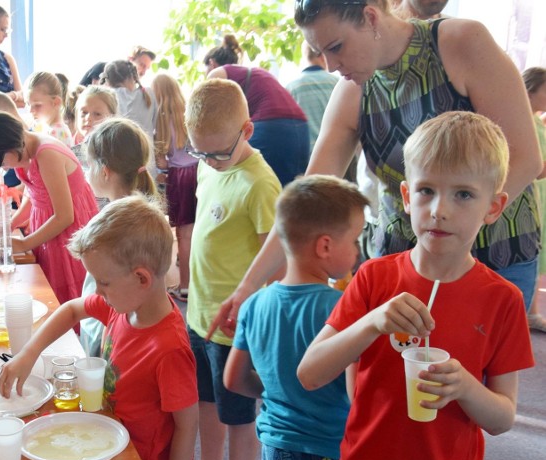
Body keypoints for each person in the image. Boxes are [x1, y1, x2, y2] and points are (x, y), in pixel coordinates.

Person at [210, 0, 542, 340]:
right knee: (401, 383)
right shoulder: (352, 92)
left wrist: (456, 231)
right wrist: (247, 286)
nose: (331, 65)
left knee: (476, 386)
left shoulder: (460, 42)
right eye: (320, 52)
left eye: (336, 47)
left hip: (493, 254)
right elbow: (306, 201)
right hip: (403, 265)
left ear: (370, 17)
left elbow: (526, 158)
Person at [298, 111, 533, 460]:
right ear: (406, 196)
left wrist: (465, 387)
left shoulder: (501, 300)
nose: (439, 209)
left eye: (463, 194)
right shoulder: (374, 279)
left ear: (493, 206)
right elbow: (310, 373)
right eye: (426, 190)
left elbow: (503, 417)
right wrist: (371, 324)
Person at [0, 195, 198, 460]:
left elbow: (187, 426)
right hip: (120, 453)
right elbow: (72, 309)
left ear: (141, 279)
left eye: (103, 282)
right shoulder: (123, 307)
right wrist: (27, 354)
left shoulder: (169, 348)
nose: (98, 292)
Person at [225, 175, 366, 460]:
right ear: (325, 246)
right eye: (354, 240)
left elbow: (234, 380)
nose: (358, 250)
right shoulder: (342, 309)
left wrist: (276, 389)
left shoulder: (254, 305)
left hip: (277, 452)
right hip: (332, 452)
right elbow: (358, 392)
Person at [183, 79, 281, 460]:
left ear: (247, 129)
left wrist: (255, 312)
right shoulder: (209, 166)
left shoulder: (260, 184)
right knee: (206, 401)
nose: (209, 161)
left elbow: (276, 259)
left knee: (239, 415)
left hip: (235, 328)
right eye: (200, 152)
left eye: (219, 153)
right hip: (200, 315)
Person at [0, 111, 98, 305]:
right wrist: (11, 223)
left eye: (1, 162)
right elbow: (37, 196)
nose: (4, 167)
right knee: (45, 283)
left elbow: (64, 216)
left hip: (68, 230)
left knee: (65, 293)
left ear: (9, 146)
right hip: (48, 225)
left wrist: (25, 244)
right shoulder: (25, 152)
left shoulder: (46, 154)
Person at [79, 118, 159, 355]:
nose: (87, 172)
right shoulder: (137, 214)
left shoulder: (118, 225)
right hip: (105, 322)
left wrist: (108, 335)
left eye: (89, 165)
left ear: (104, 172)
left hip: (106, 332)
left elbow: (129, 291)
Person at [204, 35, 309, 187]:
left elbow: (208, 117)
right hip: (300, 127)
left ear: (211, 63)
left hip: (270, 126)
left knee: (251, 183)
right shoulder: (254, 72)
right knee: (287, 191)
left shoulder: (216, 74)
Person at [152, 73, 197, 303]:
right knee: (199, 232)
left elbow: (162, 162)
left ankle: (186, 286)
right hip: (200, 172)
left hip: (180, 176)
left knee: (184, 236)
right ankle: (196, 283)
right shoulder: (189, 111)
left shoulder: (161, 117)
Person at [522, 67, 546, 332]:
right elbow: (536, 167)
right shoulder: (525, 120)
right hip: (532, 195)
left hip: (541, 195)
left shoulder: (537, 120)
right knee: (534, 251)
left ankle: (532, 311)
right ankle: (529, 312)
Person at [286, 41, 339, 153]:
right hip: (338, 155)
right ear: (322, 55)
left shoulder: (291, 88)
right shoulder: (338, 84)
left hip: (307, 156)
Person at [102, 60, 157, 139]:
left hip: (118, 149)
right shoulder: (149, 93)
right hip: (147, 149)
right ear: (133, 77)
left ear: (107, 81)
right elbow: (155, 124)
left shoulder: (108, 96)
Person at [70, 85, 117, 165]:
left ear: (111, 117)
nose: (88, 118)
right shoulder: (68, 145)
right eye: (84, 112)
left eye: (97, 114)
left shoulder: (115, 151)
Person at [26, 71, 73, 147]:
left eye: (37, 105)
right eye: (28, 104)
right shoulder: (42, 126)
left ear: (56, 103)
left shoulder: (57, 133)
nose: (31, 111)